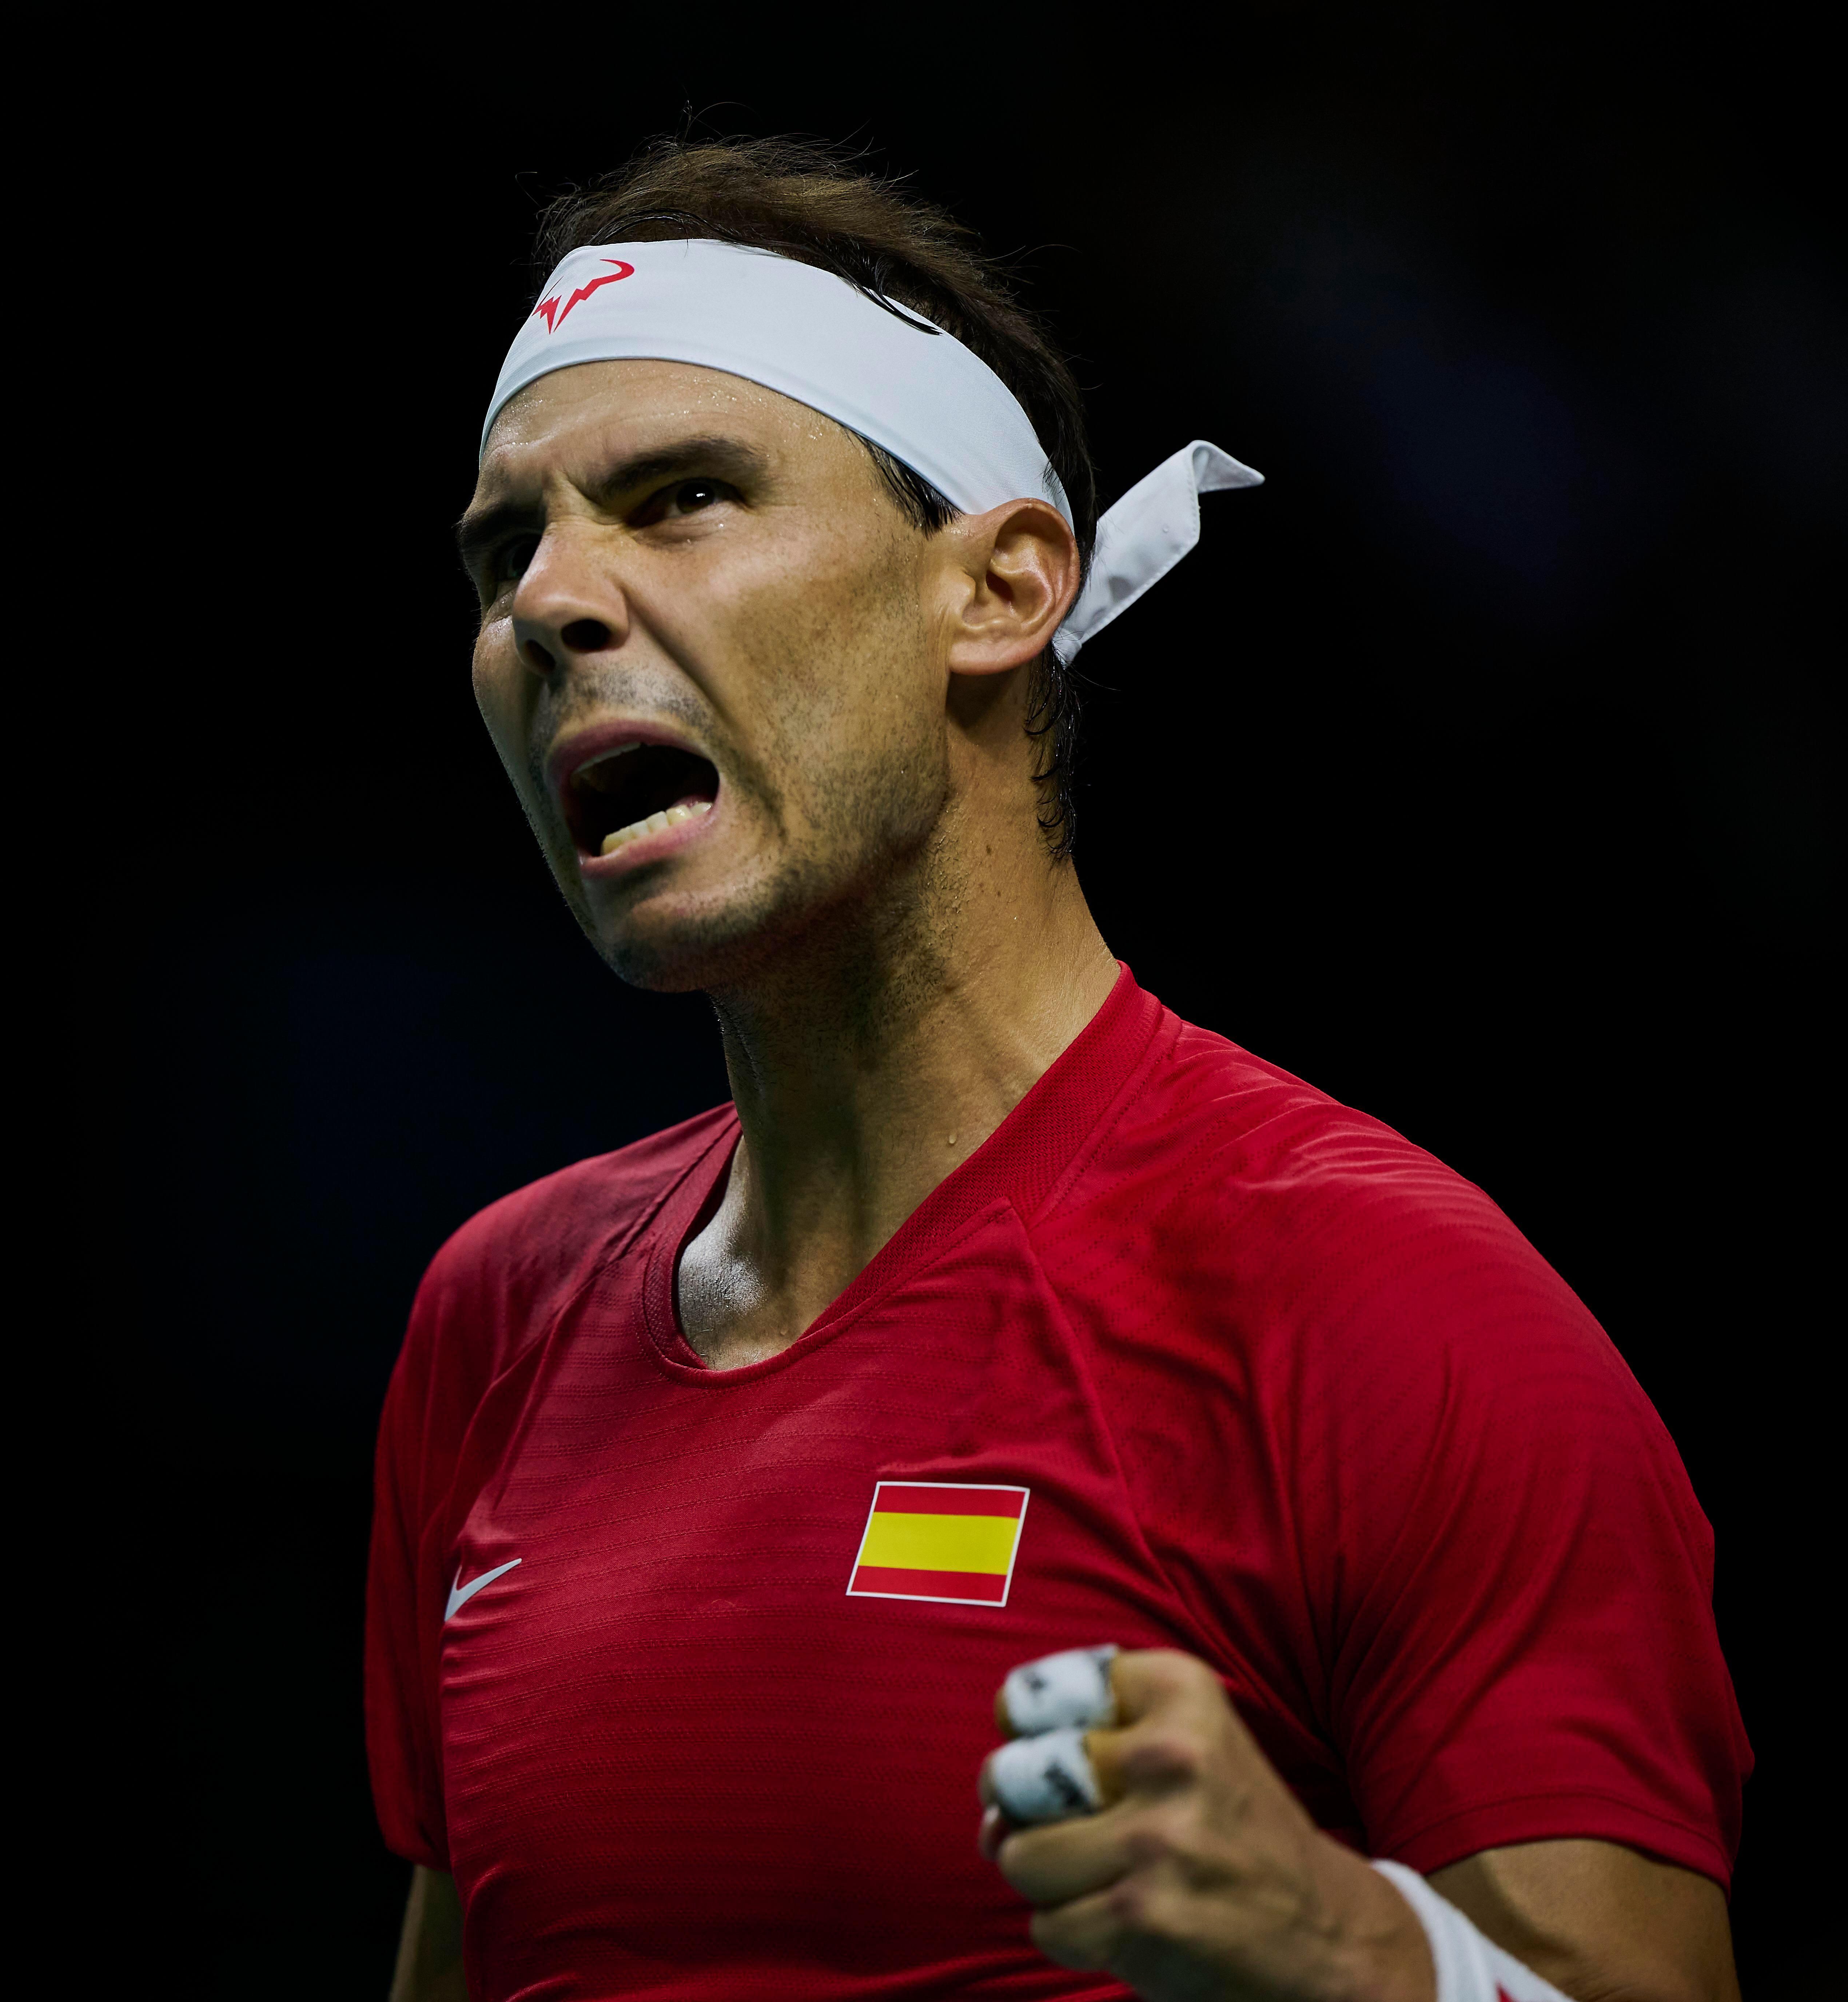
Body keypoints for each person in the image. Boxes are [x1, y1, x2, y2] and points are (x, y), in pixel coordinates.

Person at [366, 139, 1746, 2002]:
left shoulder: (1386, 1302)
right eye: (502, 546)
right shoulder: (494, 1321)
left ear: (1003, 586)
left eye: (681, 497)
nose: (548, 602)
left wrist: (1364, 1957)